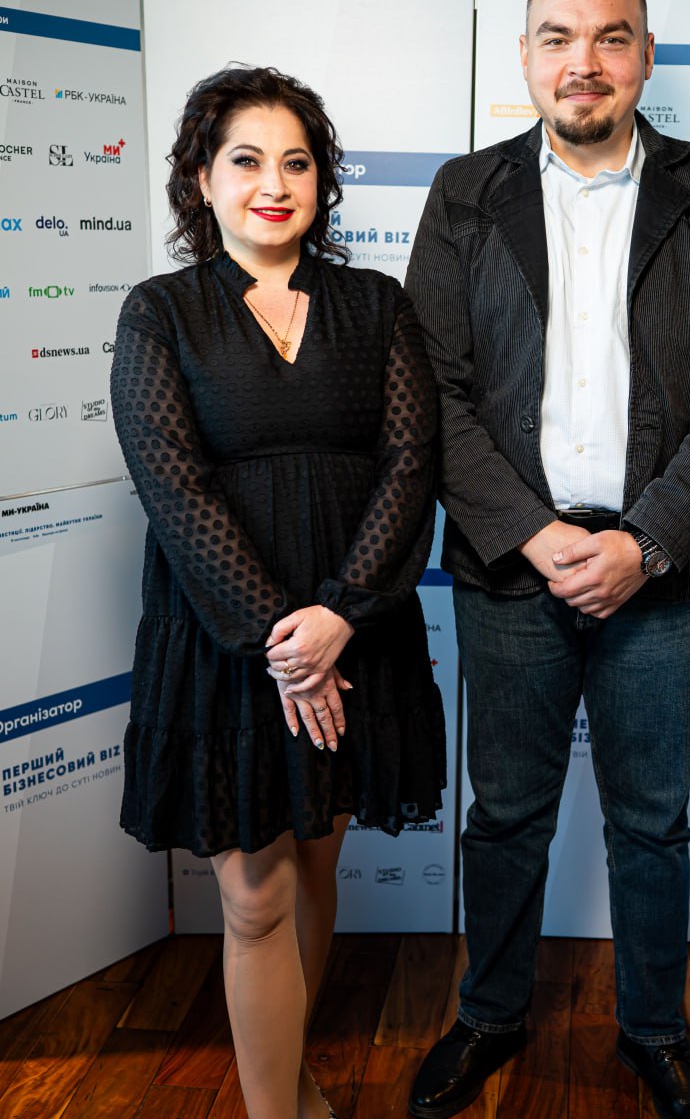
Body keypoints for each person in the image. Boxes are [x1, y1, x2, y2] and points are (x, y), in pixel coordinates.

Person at [405, 0, 690, 1119]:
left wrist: (643, 542)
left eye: (610, 37)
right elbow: (430, 389)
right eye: (558, 37)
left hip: (660, 573)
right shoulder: (463, 193)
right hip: (508, 567)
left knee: (649, 818)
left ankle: (655, 1032)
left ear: (644, 56)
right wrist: (526, 531)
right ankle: (488, 1013)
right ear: (524, 56)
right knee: (505, 811)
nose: (584, 61)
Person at [110, 64, 445, 1119]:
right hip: (226, 641)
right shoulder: (161, 311)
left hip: (355, 629)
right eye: (246, 160)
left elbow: (410, 464)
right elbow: (170, 483)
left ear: (322, 181)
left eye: (296, 162)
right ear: (200, 179)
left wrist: (339, 614)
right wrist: (278, 638)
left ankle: (293, 1070)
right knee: (253, 893)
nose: (273, 183)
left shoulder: (376, 304)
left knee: (315, 857)